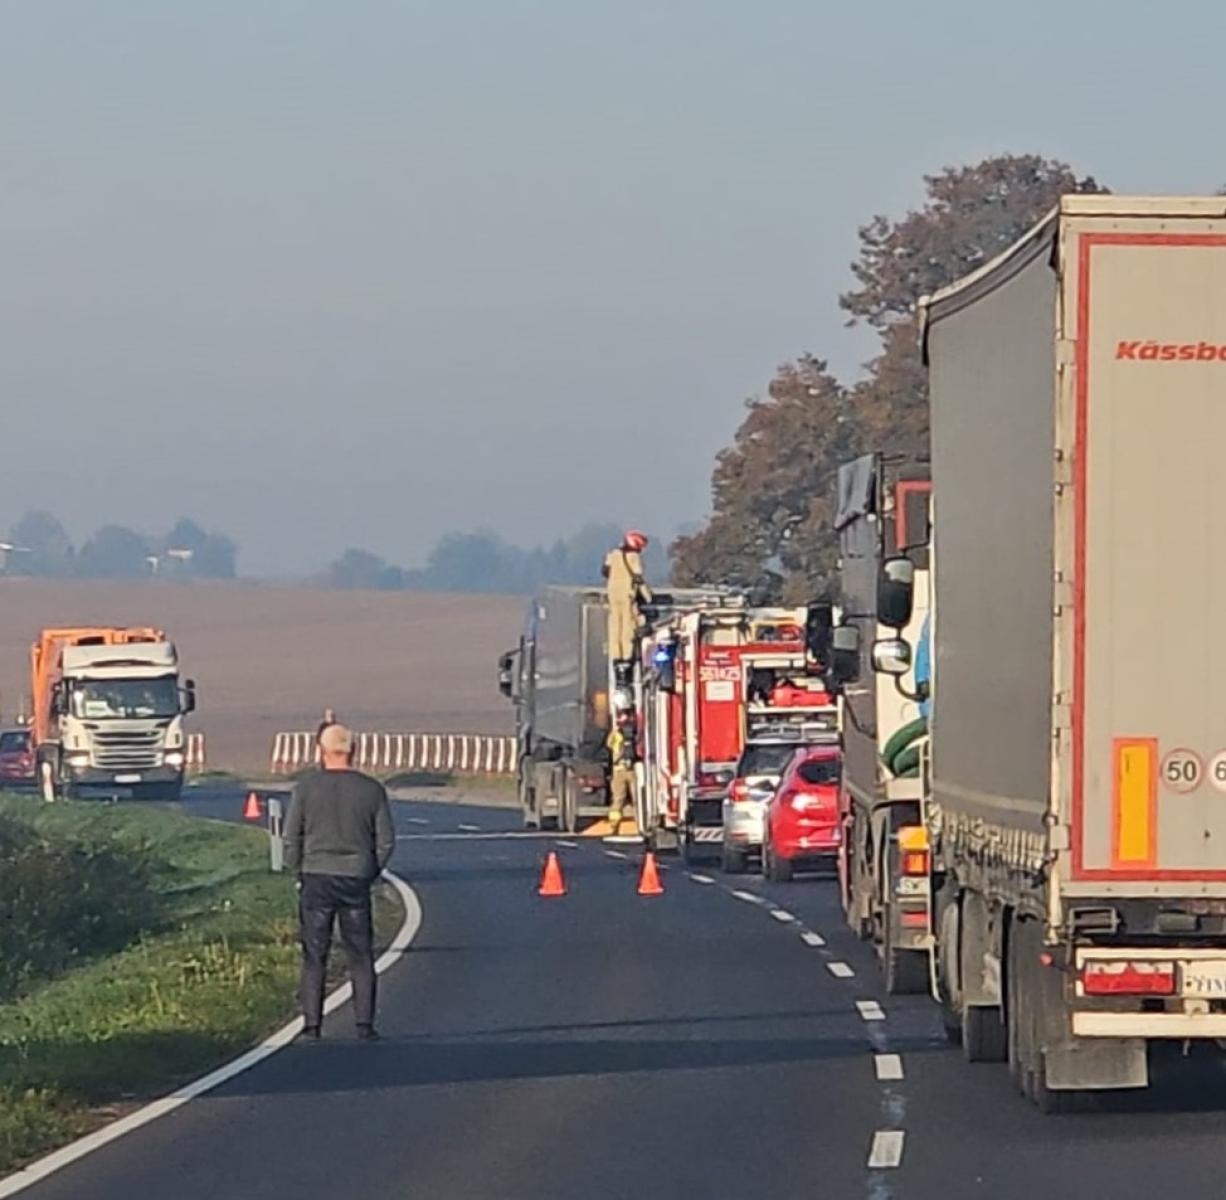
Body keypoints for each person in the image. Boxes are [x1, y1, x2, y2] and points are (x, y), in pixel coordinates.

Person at [284, 723, 394, 1041]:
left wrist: (299, 871)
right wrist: (370, 872)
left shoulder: (306, 788)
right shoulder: (372, 790)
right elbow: (385, 842)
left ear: (321, 751)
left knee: (314, 953)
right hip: (355, 877)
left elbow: (291, 837)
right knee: (360, 952)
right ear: (354, 751)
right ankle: (364, 1023)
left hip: (316, 876)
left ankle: (312, 1024)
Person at [603, 530, 653, 686]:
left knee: (614, 626)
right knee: (627, 627)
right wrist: (648, 597)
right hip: (627, 596)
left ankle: (616, 656)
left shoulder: (613, 554)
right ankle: (626, 657)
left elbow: (605, 571)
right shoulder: (634, 558)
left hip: (612, 595)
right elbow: (638, 578)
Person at [606, 709, 638, 831]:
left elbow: (609, 744)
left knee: (618, 799)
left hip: (618, 770)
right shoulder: (635, 731)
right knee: (636, 798)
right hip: (632, 769)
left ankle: (614, 825)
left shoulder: (616, 734)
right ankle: (639, 822)